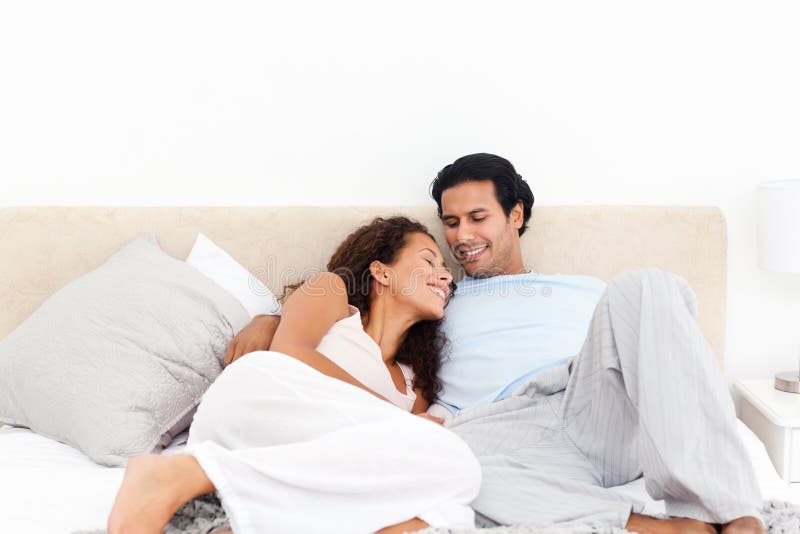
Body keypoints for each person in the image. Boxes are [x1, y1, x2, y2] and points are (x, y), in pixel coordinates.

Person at [229, 154, 766, 534]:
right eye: (451, 224)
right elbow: (358, 314)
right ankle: (659, 527)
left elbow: (655, 347)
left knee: (649, 285)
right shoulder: (439, 298)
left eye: (478, 218)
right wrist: (269, 315)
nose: (461, 237)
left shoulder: (587, 290)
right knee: (447, 471)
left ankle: (732, 509)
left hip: (592, 405)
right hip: (496, 428)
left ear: (516, 216)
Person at [107, 216, 481, 534]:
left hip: (307, 455)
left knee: (449, 505)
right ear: (381, 271)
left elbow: (389, 462)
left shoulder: (414, 384)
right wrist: (401, 421)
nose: (444, 276)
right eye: (429, 261)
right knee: (456, 461)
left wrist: (407, 426)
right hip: (264, 399)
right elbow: (290, 351)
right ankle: (182, 475)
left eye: (446, 271)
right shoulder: (331, 292)